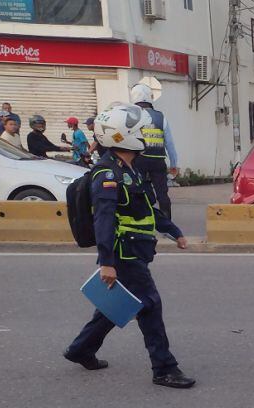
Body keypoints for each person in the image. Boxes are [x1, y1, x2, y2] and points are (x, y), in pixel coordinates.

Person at [63, 103, 195, 389]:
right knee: (149, 305)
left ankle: (81, 349)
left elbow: (147, 207)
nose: (144, 135)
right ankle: (164, 368)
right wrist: (106, 262)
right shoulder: (107, 174)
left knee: (117, 306)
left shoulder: (131, 169)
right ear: (121, 136)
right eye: (137, 131)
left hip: (136, 249)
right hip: (123, 252)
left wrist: (174, 231)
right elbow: (104, 220)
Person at [131, 83, 179, 219]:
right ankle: (167, 223)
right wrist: (174, 164)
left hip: (139, 160)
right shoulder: (160, 117)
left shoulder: (132, 116)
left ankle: (144, 218)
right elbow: (169, 143)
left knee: (139, 190)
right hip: (158, 160)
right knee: (162, 193)